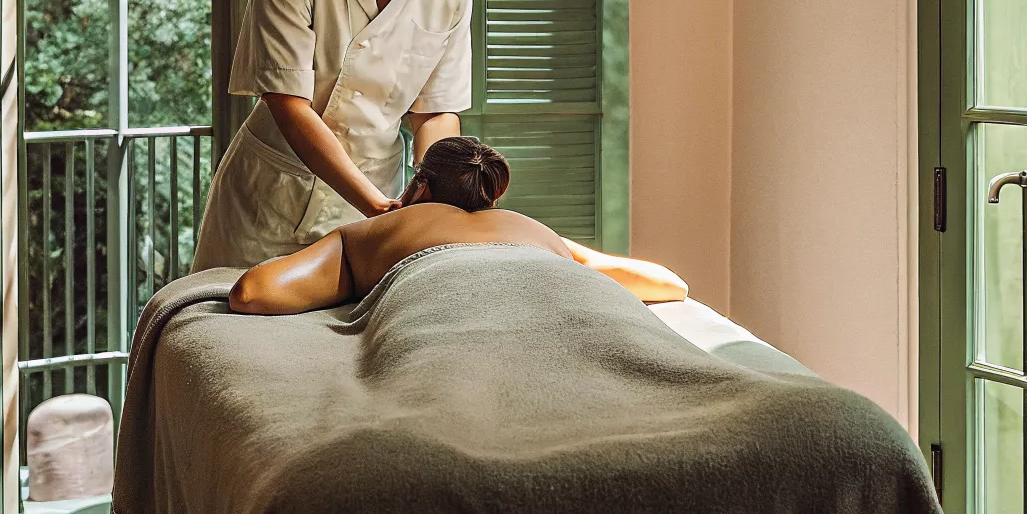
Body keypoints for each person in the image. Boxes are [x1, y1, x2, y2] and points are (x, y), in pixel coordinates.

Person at [192, 0, 477, 271]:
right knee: (233, 317)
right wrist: (375, 206)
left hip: (377, 200)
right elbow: (288, 104)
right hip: (271, 198)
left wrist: (432, 190)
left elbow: (434, 111)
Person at [229, 137, 688, 313]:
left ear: (421, 186)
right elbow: (670, 286)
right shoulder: (535, 234)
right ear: (493, 195)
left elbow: (252, 293)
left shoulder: (373, 233)